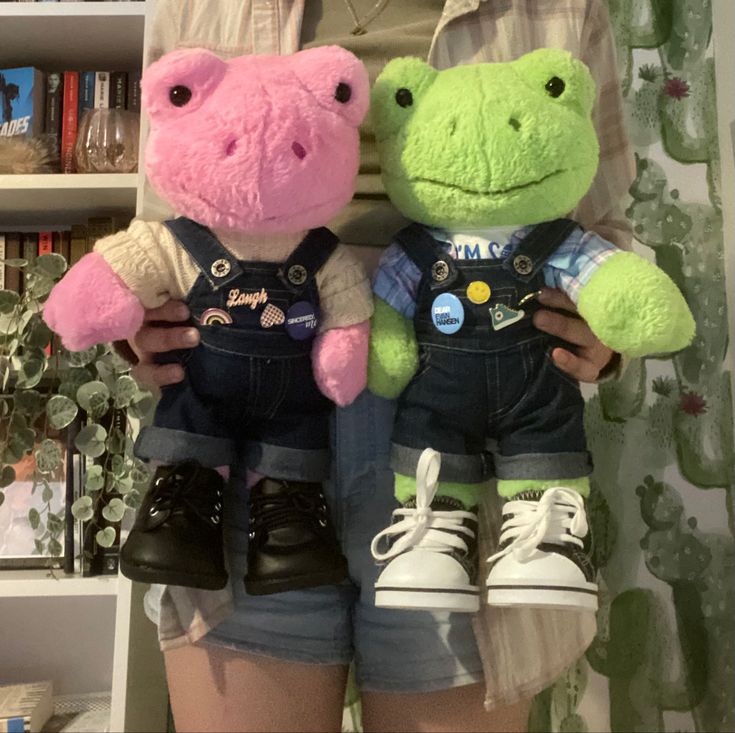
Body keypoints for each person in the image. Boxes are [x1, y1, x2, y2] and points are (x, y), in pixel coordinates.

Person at [123, 2, 634, 731]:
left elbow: (605, 219)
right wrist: (139, 317)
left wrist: (603, 317)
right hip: (235, 427)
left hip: (472, 440)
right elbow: (160, 221)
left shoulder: (553, 7)